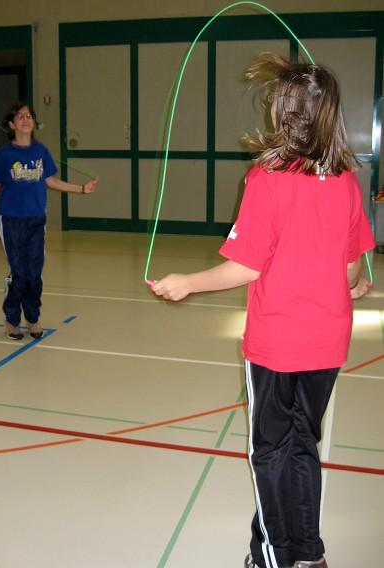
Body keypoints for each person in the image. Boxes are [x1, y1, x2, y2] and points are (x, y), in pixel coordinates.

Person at [151, 53, 375, 568]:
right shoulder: (345, 180)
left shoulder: (266, 179)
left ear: (284, 114)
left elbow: (244, 268)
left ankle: (278, 558)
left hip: (278, 346)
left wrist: (187, 282)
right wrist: (356, 285)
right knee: (300, 446)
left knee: (271, 452)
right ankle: (304, 553)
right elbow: (348, 270)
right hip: (327, 345)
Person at [0, 101, 99, 340]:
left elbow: (51, 181)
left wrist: (81, 189)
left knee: (34, 273)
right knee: (19, 272)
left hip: (36, 220)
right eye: (20, 116)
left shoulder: (41, 152)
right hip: (10, 221)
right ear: (11, 124)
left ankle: (33, 318)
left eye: (29, 116)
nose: (26, 119)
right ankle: (11, 319)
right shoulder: (4, 154)